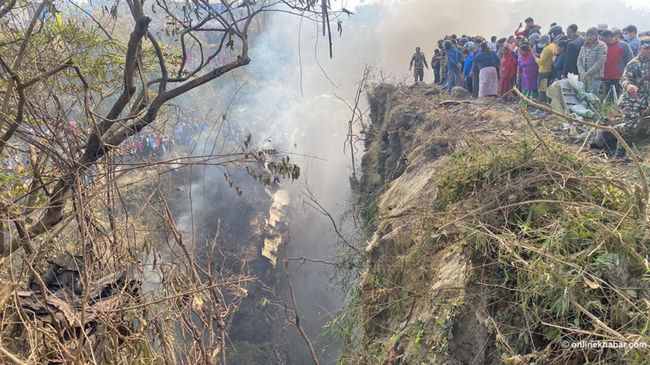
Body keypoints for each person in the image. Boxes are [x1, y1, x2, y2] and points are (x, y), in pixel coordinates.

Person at [613, 37, 650, 160]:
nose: (649, 51)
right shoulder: (634, 64)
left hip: (643, 102)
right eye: (646, 48)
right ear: (640, 49)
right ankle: (613, 129)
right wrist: (628, 85)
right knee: (631, 126)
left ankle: (620, 154)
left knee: (633, 130)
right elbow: (624, 78)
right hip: (630, 101)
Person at [578, 27, 608, 95]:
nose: (589, 37)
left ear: (596, 36)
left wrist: (588, 73)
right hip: (584, 77)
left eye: (591, 35)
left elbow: (600, 61)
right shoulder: (583, 47)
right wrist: (582, 73)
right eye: (587, 36)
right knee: (583, 95)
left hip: (595, 76)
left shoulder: (601, 45)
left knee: (593, 97)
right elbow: (579, 61)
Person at [534, 34, 556, 103]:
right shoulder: (553, 46)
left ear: (546, 42)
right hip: (549, 70)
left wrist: (534, 57)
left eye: (541, 41)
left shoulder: (547, 49)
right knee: (547, 90)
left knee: (542, 90)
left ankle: (541, 107)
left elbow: (540, 61)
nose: (540, 43)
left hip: (544, 71)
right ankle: (546, 106)